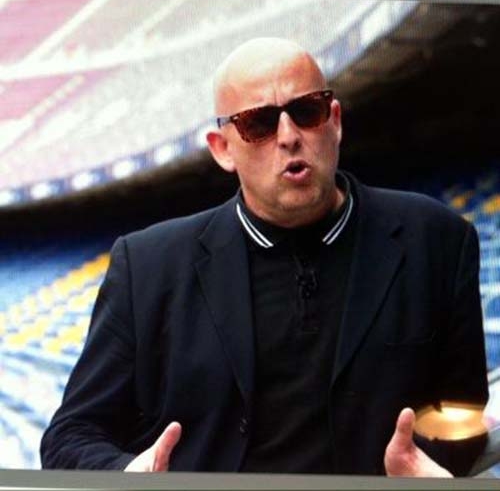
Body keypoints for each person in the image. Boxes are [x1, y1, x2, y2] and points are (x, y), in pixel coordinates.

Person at [40, 38, 488, 476]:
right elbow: (71, 435)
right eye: (259, 123)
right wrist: (127, 472)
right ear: (222, 148)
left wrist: (425, 466)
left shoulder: (438, 241)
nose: (289, 137)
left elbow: (463, 414)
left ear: (334, 121)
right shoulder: (147, 267)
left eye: (306, 111)